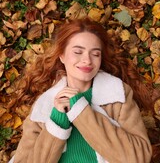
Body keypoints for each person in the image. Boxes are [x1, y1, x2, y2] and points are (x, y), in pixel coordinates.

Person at [9, 17, 152, 163]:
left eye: (95, 54)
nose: (88, 60)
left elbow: (138, 158)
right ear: (62, 56)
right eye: (78, 52)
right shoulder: (43, 107)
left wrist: (81, 110)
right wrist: (57, 122)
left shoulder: (117, 96)